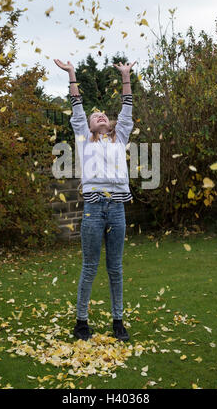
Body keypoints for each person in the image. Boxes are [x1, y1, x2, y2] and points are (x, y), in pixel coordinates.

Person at [54, 58, 136, 341]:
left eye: (103, 115)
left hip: (116, 209)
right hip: (93, 209)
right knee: (89, 267)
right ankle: (81, 323)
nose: (100, 115)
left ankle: (118, 321)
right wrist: (72, 74)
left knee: (115, 267)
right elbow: (77, 109)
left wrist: (126, 76)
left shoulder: (119, 137)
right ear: (87, 125)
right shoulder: (83, 138)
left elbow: (126, 112)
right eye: (95, 115)